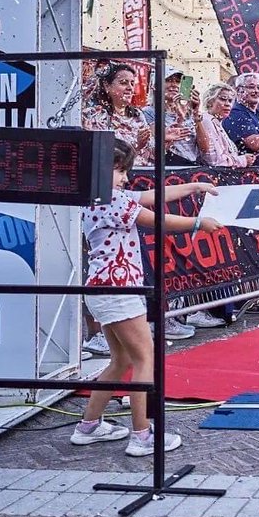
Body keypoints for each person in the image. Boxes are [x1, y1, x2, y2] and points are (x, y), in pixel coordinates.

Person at [72, 139, 223, 456]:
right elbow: (157, 219)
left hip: (106, 289)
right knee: (145, 359)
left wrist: (194, 186)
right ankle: (142, 435)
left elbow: (153, 198)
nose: (126, 178)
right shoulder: (108, 200)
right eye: (121, 170)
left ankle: (88, 426)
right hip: (118, 290)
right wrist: (198, 223)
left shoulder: (101, 195)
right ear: (103, 169)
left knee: (122, 360)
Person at [83, 62, 153, 167]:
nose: (130, 88)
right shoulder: (96, 115)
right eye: (123, 82)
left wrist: (165, 140)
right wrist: (137, 146)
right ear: (107, 86)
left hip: (143, 173)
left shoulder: (137, 115)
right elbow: (105, 157)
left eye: (132, 83)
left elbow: (151, 154)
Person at [141, 68, 206, 167]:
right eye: (168, 80)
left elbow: (205, 148)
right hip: (170, 166)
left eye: (178, 81)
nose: (174, 85)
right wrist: (180, 118)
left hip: (193, 166)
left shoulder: (190, 112)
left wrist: (196, 114)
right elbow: (157, 145)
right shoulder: (149, 112)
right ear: (155, 86)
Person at [199, 85, 255, 167]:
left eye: (230, 101)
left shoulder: (217, 122)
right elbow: (214, 160)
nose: (227, 104)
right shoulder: (206, 121)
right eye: (223, 99)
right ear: (210, 101)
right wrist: (243, 160)